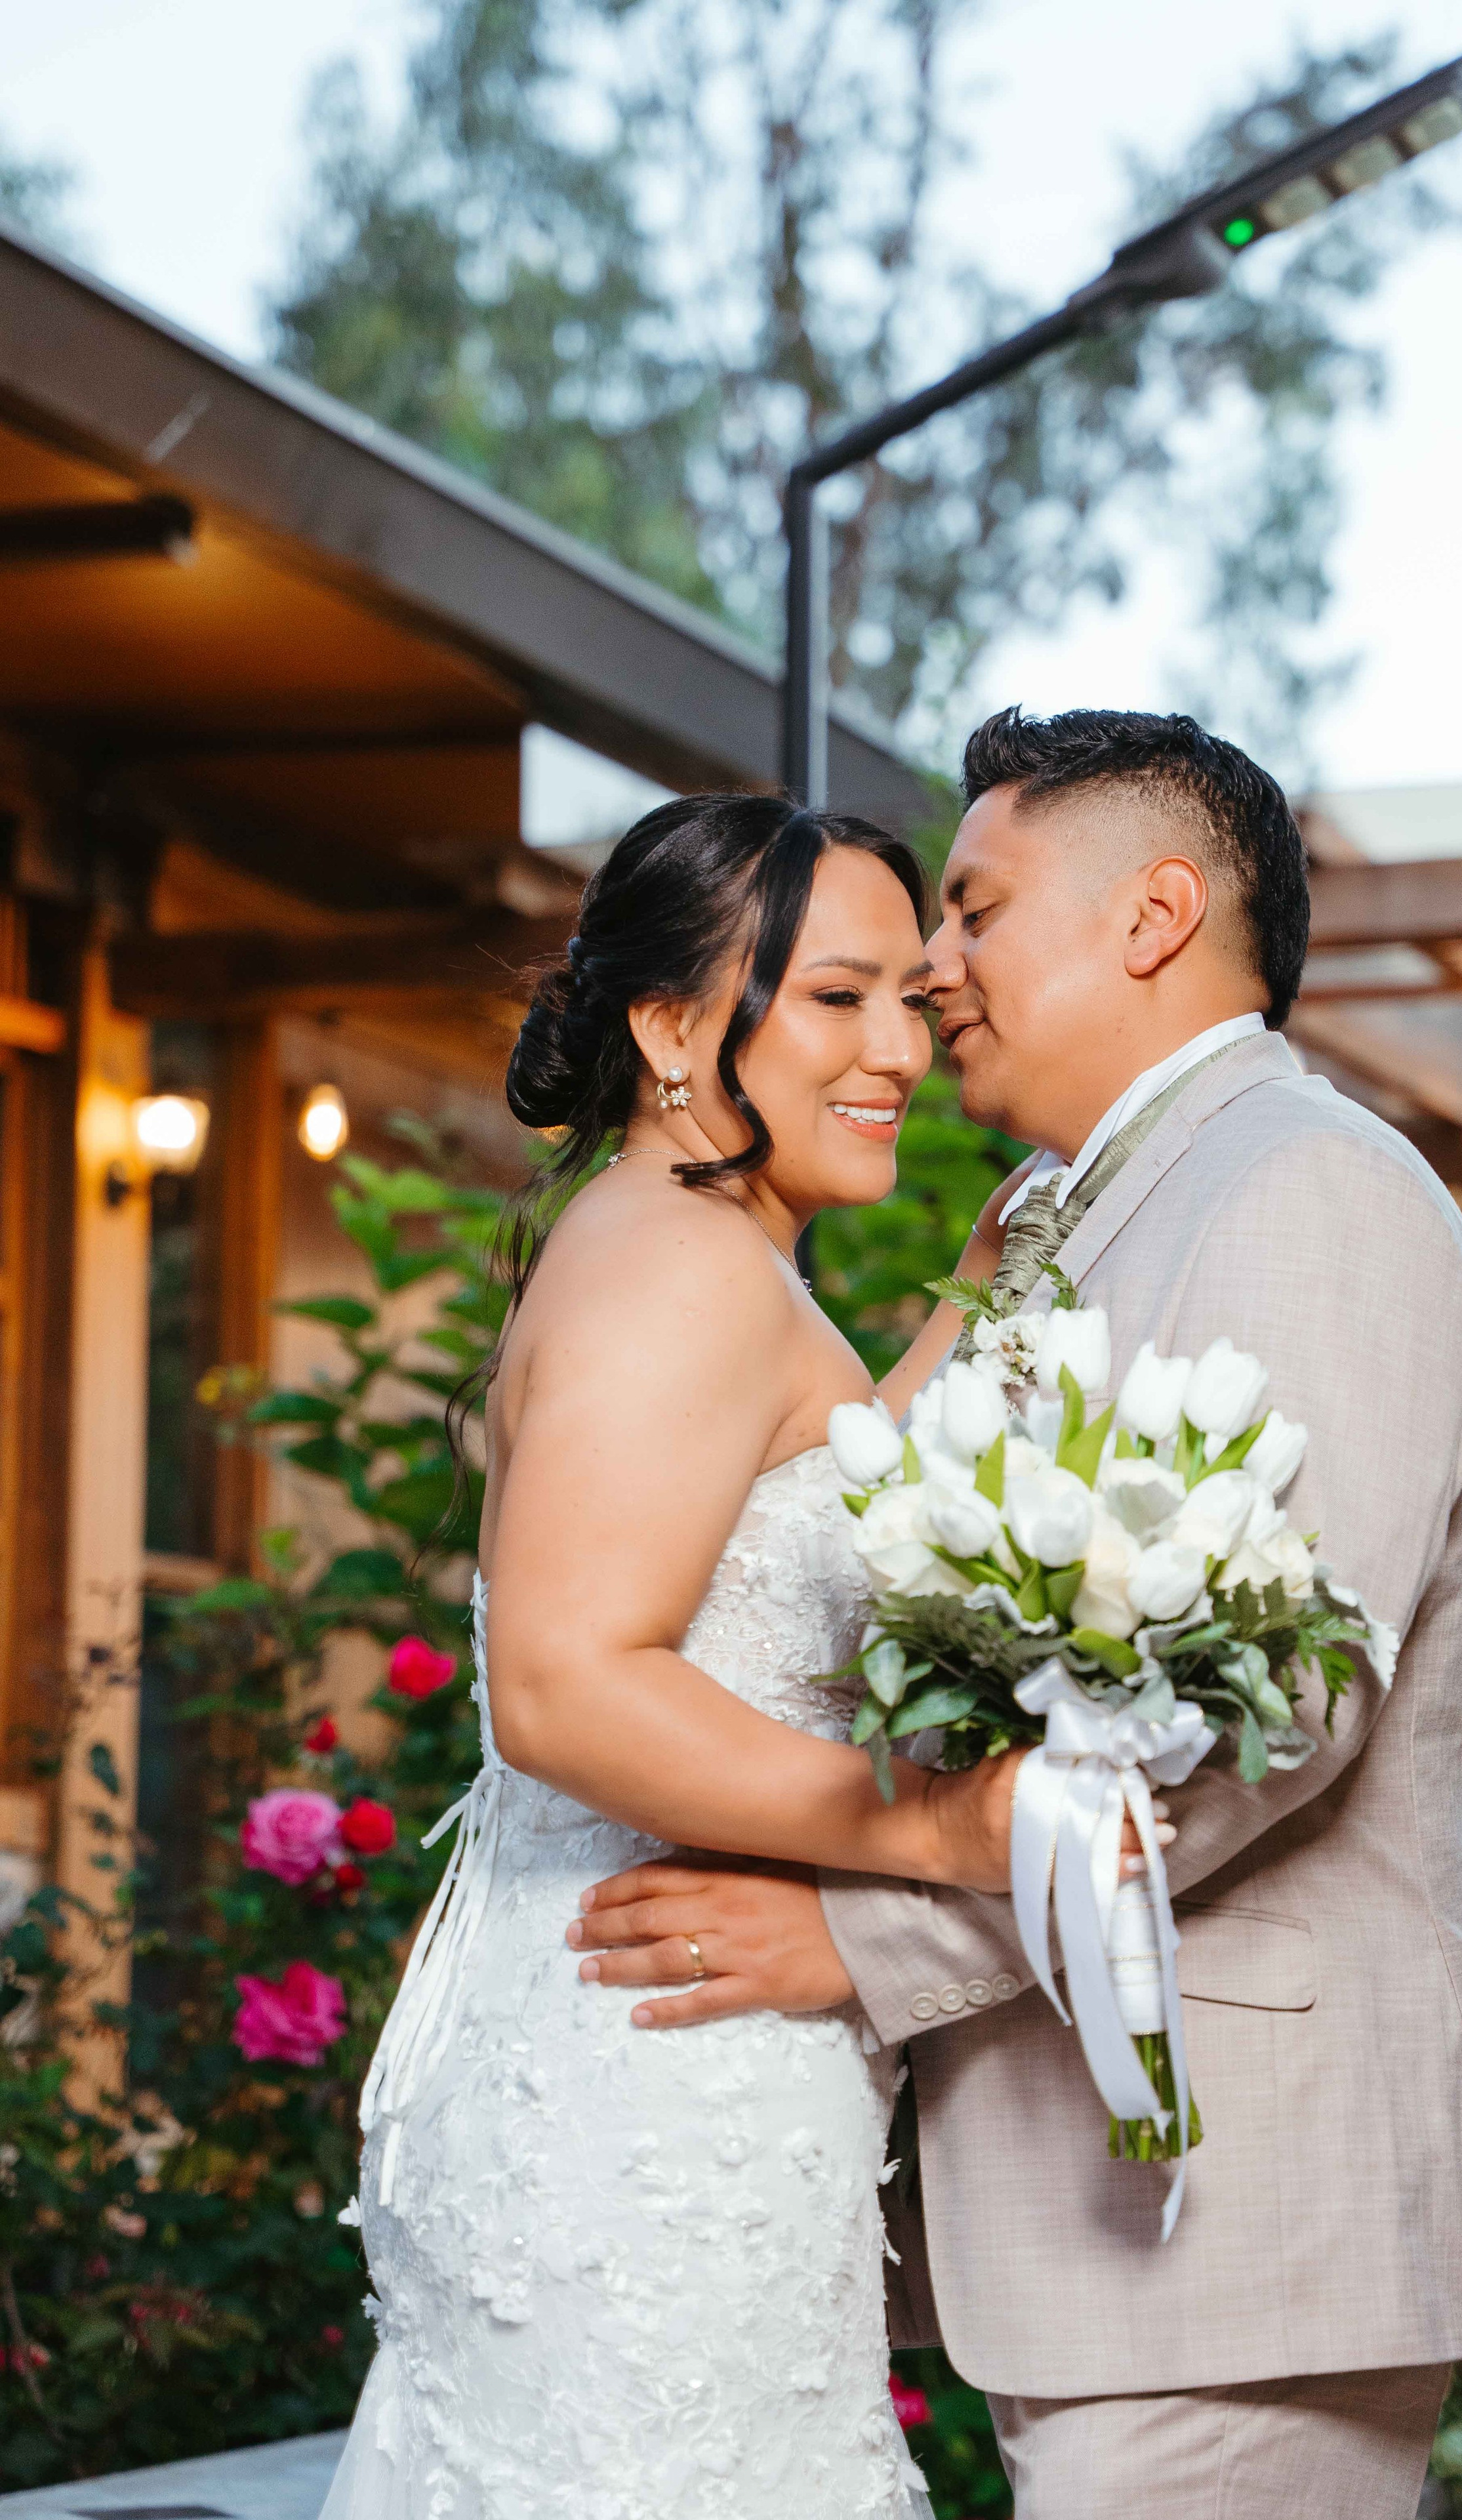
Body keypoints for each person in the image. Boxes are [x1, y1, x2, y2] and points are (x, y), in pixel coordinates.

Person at [574, 709, 1462, 2520]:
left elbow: (1266, 1723)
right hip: (1109, 2224)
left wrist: (860, 1947)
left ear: (1155, 914)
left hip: (1241, 2213)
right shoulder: (1063, 1219)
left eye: (975, 907)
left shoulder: (1309, 1188)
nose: (932, 970)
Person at [320, 794, 1055, 2520]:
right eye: (838, 998)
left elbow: (767, 1520)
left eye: (910, 1002)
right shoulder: (684, 1269)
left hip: (626, 2066)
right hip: (648, 2101)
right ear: (669, 1025)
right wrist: (925, 1831)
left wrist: (976, 1296)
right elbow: (569, 1680)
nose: (901, 1049)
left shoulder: (680, 1246)